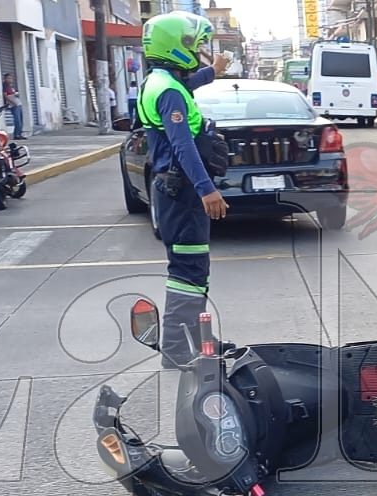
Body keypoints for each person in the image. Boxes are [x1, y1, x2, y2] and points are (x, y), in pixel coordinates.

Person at [138, 10, 231, 366]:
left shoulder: (161, 81)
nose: (199, 50)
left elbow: (185, 87)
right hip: (183, 192)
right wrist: (207, 189)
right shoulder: (168, 91)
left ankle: (197, 339)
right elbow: (183, 146)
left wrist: (213, 71)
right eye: (196, 44)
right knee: (188, 271)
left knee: (193, 269)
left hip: (174, 189)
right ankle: (178, 349)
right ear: (177, 45)